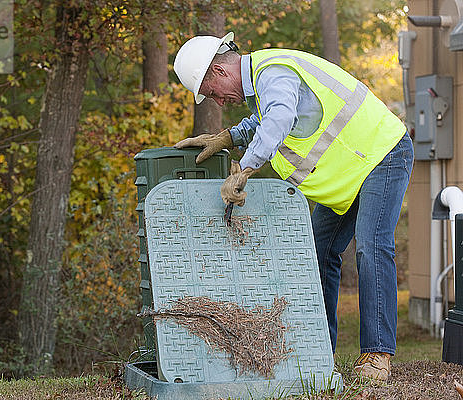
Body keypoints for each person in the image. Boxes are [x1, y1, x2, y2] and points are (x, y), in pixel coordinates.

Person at [173, 32, 413, 381]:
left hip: (382, 154)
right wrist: (228, 137)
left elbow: (279, 119)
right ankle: (319, 351)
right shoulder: (266, 80)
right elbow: (266, 118)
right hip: (352, 173)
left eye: (212, 92)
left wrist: (246, 167)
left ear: (219, 71)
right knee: (318, 250)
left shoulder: (274, 72)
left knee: (372, 246)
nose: (219, 102)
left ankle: (377, 354)